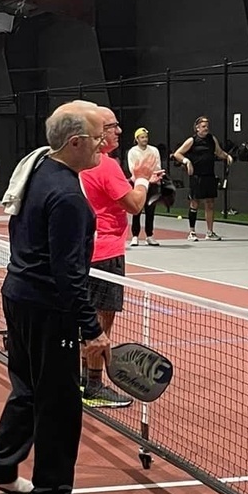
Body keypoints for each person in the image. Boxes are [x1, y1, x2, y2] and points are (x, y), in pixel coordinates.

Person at [0, 101, 111, 494]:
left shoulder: (36, 167)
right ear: (74, 143)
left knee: (29, 389)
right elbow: (68, 272)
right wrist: (92, 329)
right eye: (97, 137)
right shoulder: (68, 195)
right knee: (60, 402)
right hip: (48, 307)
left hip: (17, 296)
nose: (103, 144)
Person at [80, 108, 162, 410]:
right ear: (98, 133)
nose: (119, 132)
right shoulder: (107, 165)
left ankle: (81, 379)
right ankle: (93, 384)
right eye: (112, 127)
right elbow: (134, 206)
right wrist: (141, 181)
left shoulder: (81, 164)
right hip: (107, 255)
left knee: (84, 320)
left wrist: (137, 179)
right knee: (101, 325)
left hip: (84, 253)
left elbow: (107, 193)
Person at [171, 116, 235, 241]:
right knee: (194, 202)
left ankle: (210, 232)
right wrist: (186, 161)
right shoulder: (192, 140)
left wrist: (227, 156)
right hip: (196, 176)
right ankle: (192, 232)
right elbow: (177, 153)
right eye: (203, 126)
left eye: (207, 126)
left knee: (210, 203)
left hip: (209, 175)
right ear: (197, 128)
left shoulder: (212, 139)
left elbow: (218, 152)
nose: (206, 128)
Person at [126, 128, 160, 246]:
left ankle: (149, 236)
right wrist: (142, 178)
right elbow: (132, 168)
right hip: (138, 183)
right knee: (137, 210)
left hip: (152, 183)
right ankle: (135, 236)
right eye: (142, 137)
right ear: (137, 139)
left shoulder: (154, 150)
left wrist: (152, 178)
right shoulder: (132, 152)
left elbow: (157, 166)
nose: (145, 139)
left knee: (150, 210)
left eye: (146, 137)